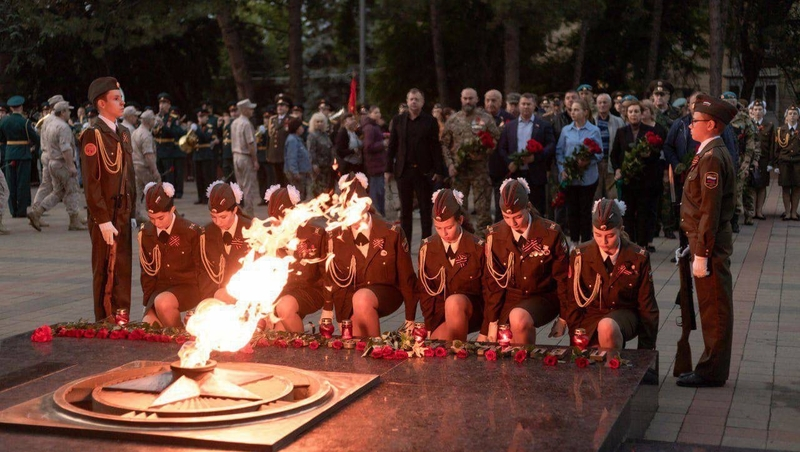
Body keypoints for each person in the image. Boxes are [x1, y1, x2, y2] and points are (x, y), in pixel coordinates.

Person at [677, 94, 737, 388]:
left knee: (714, 307)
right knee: (712, 305)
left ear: (711, 124)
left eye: (695, 121)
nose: (690, 125)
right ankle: (712, 365)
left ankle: (712, 370)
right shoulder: (708, 151)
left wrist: (702, 253)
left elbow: (710, 211)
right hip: (705, 241)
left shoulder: (712, 157)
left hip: (710, 246)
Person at [326, 173, 418, 337]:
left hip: (387, 292)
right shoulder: (336, 236)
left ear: (367, 206)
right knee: (353, 334)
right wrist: (341, 318)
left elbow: (407, 278)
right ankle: (367, 358)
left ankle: (377, 349)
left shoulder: (391, 233)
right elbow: (337, 282)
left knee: (362, 299)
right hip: (353, 297)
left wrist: (410, 318)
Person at [562, 198, 659, 349]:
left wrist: (646, 353)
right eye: (598, 234)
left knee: (607, 327)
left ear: (621, 229)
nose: (603, 241)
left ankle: (614, 370)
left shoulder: (638, 257)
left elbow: (648, 307)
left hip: (624, 314)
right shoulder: (580, 255)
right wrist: (575, 342)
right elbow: (573, 303)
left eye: (610, 235)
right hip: (592, 316)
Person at [483, 178, 569, 345]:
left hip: (543, 296)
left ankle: (526, 369)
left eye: (517, 216)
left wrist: (564, 318)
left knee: (519, 319)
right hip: (511, 298)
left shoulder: (550, 234)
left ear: (528, 207)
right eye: (506, 216)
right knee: (503, 347)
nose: (512, 223)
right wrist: (492, 322)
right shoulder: (495, 236)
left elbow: (564, 279)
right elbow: (493, 282)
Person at [79, 77, 136, 321]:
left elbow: (129, 177)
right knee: (105, 270)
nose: (121, 101)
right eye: (116, 98)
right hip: (105, 214)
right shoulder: (93, 135)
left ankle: (122, 318)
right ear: (101, 103)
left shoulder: (123, 133)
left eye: (121, 97)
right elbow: (91, 183)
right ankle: (104, 321)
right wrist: (101, 219)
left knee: (123, 268)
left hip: (122, 212)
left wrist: (132, 212)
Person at [417, 189, 485, 341]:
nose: (444, 233)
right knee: (436, 348)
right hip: (442, 312)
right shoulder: (427, 248)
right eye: (438, 228)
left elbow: (490, 290)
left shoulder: (478, 247)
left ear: (460, 220)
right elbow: (425, 292)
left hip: (473, 310)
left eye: (449, 227)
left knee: (454, 303)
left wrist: (487, 329)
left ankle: (458, 360)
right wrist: (429, 327)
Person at [263, 185, 329, 332]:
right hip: (284, 293)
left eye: (280, 221)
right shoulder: (269, 237)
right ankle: (303, 336)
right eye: (273, 222)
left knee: (284, 308)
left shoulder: (315, 234)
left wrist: (328, 308)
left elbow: (327, 275)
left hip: (312, 289)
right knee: (278, 336)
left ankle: (302, 349)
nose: (276, 227)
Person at [139, 182, 205, 327]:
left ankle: (178, 336)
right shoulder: (146, 232)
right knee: (148, 326)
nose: (156, 223)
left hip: (187, 287)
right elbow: (147, 274)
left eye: (161, 218)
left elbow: (202, 270)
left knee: (163, 303)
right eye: (151, 218)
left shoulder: (190, 232)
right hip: (160, 288)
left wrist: (204, 303)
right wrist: (146, 305)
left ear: (172, 210)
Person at [386, 89, 444, 246]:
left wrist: (439, 170)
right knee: (405, 211)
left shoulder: (430, 121)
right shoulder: (398, 120)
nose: (413, 102)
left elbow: (435, 147)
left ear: (422, 102)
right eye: (411, 99)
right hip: (404, 171)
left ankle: (426, 244)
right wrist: (388, 169)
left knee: (425, 210)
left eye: (417, 99)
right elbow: (392, 146)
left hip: (423, 172)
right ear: (407, 100)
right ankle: (405, 245)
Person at [441, 88, 500, 234]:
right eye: (465, 98)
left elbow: (495, 139)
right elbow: (444, 145)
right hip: (459, 172)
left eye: (471, 98)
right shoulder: (453, 120)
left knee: (483, 210)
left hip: (480, 171)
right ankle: (462, 240)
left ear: (477, 99)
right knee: (458, 209)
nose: (468, 101)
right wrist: (449, 165)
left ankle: (483, 243)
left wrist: (484, 152)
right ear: (461, 99)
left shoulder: (486, 119)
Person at [27, 101, 87, 231]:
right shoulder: (63, 127)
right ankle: (74, 220)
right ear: (63, 112)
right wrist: (71, 166)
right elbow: (66, 148)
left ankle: (37, 212)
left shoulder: (49, 123)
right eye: (68, 111)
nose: (70, 113)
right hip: (61, 162)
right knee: (72, 190)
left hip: (51, 161)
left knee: (58, 191)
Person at [611, 101, 662, 249]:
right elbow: (614, 155)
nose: (634, 114)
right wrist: (617, 169)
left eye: (637, 111)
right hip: (627, 180)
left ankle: (642, 244)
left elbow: (658, 153)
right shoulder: (621, 132)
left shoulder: (649, 131)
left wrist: (649, 154)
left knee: (643, 213)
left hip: (645, 180)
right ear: (626, 114)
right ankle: (629, 243)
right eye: (631, 112)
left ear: (642, 114)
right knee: (627, 213)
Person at [497, 93, 555, 216]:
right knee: (516, 208)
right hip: (516, 172)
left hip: (535, 173)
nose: (526, 107)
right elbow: (502, 148)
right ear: (519, 106)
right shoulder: (509, 126)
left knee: (536, 209)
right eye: (523, 104)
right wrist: (509, 162)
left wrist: (535, 157)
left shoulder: (543, 125)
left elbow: (551, 146)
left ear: (534, 106)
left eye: (529, 104)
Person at [556, 99, 603, 245]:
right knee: (572, 210)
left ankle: (586, 242)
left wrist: (588, 160)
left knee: (585, 210)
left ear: (585, 112)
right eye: (571, 110)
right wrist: (562, 170)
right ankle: (574, 241)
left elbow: (600, 153)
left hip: (588, 177)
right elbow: (560, 152)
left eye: (577, 110)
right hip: (570, 176)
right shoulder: (566, 130)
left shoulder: (594, 130)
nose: (573, 113)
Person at [199, 181, 251, 302]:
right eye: (213, 217)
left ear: (234, 210)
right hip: (216, 294)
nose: (218, 222)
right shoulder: (206, 233)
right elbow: (203, 273)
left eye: (223, 217)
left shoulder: (251, 230)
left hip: (248, 295)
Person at [721, 92, 759, 226]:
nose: (729, 105)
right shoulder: (718, 117)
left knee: (738, 189)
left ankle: (735, 220)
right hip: (722, 157)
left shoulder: (744, 118)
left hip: (740, 159)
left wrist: (748, 160)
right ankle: (724, 218)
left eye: (732, 102)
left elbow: (751, 140)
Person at [0, 96, 39, 218]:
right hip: (23, 154)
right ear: (21, 107)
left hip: (9, 153)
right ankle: (21, 210)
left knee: (10, 183)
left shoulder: (4, 122)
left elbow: (1, 139)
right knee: (22, 183)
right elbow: (36, 138)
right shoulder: (25, 122)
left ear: (11, 108)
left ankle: (13, 210)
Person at [153, 93, 186, 198]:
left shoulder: (172, 118)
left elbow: (176, 133)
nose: (162, 105)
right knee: (159, 173)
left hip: (168, 150)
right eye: (160, 103)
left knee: (169, 174)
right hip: (158, 148)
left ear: (169, 105)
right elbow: (153, 133)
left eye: (164, 103)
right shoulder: (156, 117)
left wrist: (164, 126)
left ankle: (170, 194)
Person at [594, 93, 626, 200]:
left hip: (611, 164)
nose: (602, 105)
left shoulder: (618, 121)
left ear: (610, 104)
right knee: (596, 197)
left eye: (605, 102)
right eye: (600, 103)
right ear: (596, 105)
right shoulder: (592, 121)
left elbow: (622, 145)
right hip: (595, 164)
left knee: (613, 197)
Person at [231, 98, 260, 217]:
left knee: (240, 186)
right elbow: (250, 143)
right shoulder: (247, 123)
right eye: (250, 108)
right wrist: (255, 160)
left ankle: (238, 212)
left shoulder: (234, 123)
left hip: (236, 156)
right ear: (244, 110)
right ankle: (248, 214)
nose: (252, 110)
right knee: (248, 187)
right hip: (245, 157)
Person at [131, 110, 161, 224]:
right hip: (145, 168)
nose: (155, 121)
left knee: (137, 192)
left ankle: (137, 214)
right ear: (149, 121)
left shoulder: (135, 132)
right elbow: (148, 155)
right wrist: (155, 171)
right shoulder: (146, 135)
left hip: (136, 166)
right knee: (154, 191)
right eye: (153, 119)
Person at [750, 100, 774, 219]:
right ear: (752, 111)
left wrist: (771, 162)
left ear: (763, 112)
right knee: (752, 185)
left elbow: (771, 145)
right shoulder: (749, 124)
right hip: (750, 159)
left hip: (764, 160)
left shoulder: (769, 125)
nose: (758, 112)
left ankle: (759, 211)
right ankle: (752, 210)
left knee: (762, 185)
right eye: (755, 110)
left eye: (760, 110)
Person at [361, 106, 387, 215]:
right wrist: (383, 144)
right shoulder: (370, 128)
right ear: (370, 114)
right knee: (377, 192)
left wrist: (383, 136)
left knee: (380, 191)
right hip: (374, 165)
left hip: (378, 164)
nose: (378, 114)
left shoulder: (375, 126)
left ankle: (379, 214)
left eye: (379, 112)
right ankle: (377, 215)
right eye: (375, 112)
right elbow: (368, 146)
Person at [775, 105, 800, 220]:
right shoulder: (781, 130)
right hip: (784, 163)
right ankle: (787, 212)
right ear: (786, 115)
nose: (792, 116)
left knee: (796, 188)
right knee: (785, 188)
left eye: (795, 113)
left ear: (798, 116)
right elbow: (776, 149)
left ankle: (794, 212)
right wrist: (775, 164)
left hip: (797, 163)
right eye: (790, 113)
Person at [193, 108, 219, 205]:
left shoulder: (210, 128)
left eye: (202, 117)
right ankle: (200, 197)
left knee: (207, 177)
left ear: (206, 117)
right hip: (197, 154)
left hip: (206, 155)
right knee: (198, 177)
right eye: (199, 117)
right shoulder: (195, 128)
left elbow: (205, 137)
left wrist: (197, 131)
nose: (201, 119)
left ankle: (208, 198)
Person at [307, 112, 336, 197]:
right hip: (318, 167)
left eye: (321, 121)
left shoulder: (325, 135)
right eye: (317, 121)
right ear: (313, 123)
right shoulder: (312, 136)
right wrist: (314, 164)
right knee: (319, 190)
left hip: (328, 167)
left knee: (328, 190)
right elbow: (311, 151)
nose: (319, 123)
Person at [284, 117, 312, 200]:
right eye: (301, 126)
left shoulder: (297, 139)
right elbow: (291, 157)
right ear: (296, 128)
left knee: (301, 194)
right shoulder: (292, 140)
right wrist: (295, 172)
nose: (302, 128)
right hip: (297, 172)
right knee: (297, 196)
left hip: (302, 171)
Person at [267, 93, 291, 186]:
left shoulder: (290, 119)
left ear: (287, 108)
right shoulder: (273, 119)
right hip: (274, 154)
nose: (279, 107)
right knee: (276, 178)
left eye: (282, 105)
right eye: (278, 105)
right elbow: (270, 137)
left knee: (286, 178)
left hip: (284, 153)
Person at [221, 102, 238, 182]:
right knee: (226, 172)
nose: (233, 113)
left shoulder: (238, 122)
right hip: (226, 151)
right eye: (231, 112)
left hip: (234, 150)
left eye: (235, 111)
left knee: (234, 174)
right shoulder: (227, 123)